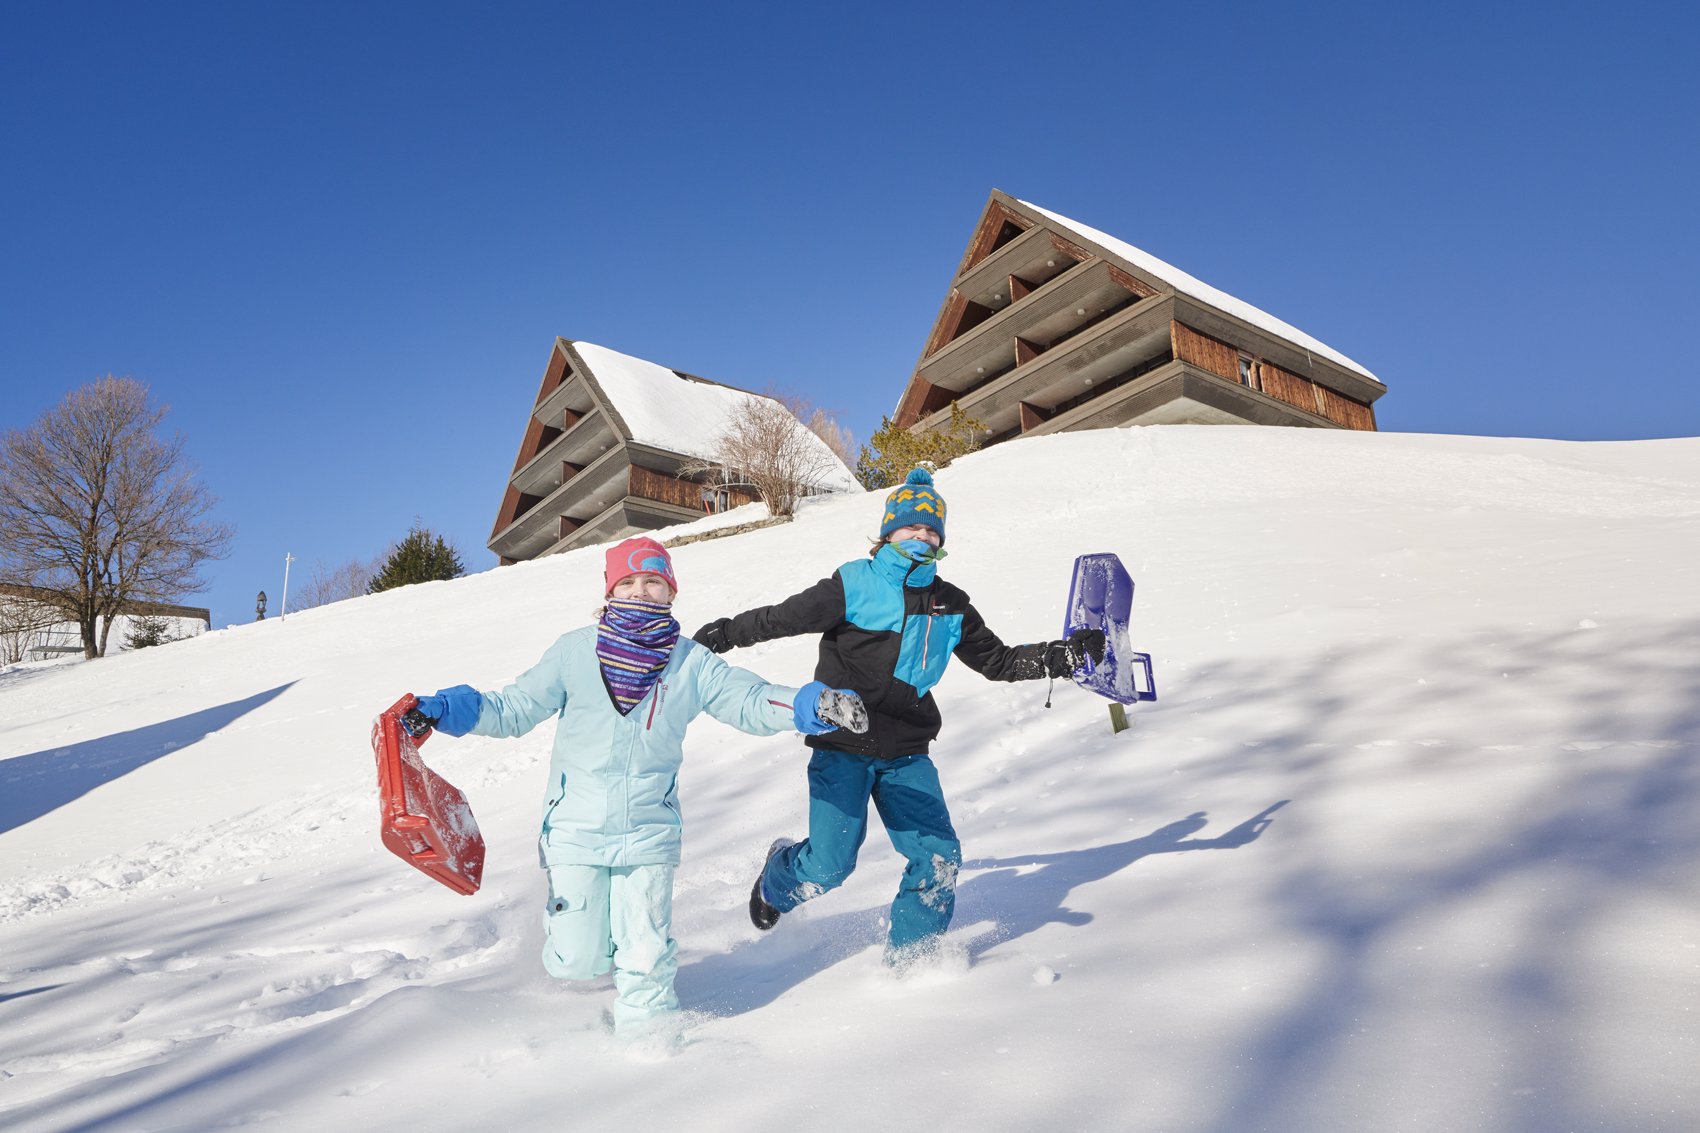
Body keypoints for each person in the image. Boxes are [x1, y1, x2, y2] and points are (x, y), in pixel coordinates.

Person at [401, 536, 865, 1038]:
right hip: (575, 828)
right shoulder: (574, 652)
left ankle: (650, 1044)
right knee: (575, 960)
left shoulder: (691, 662)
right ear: (609, 592)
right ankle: (585, 946)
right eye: (628, 582)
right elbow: (513, 708)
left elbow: (748, 699)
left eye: (653, 582)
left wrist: (811, 705)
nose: (641, 592)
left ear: (671, 592)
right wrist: (445, 709)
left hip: (648, 827)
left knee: (644, 949)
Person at [691, 468, 1104, 969]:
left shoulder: (950, 604)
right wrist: (727, 633)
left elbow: (997, 662)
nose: (923, 537)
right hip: (842, 742)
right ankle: (777, 881)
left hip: (907, 751)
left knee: (938, 858)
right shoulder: (854, 584)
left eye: (932, 530)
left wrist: (1061, 657)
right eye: (913, 527)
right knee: (828, 866)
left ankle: (912, 960)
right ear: (888, 532)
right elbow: (783, 617)